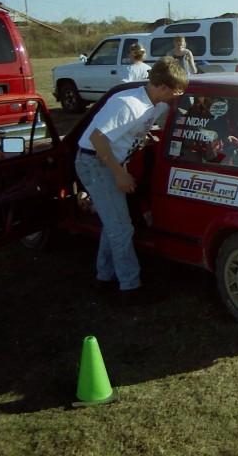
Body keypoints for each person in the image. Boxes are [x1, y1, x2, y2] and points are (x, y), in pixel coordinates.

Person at [74, 57, 188, 299]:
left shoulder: (156, 104)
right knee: (122, 228)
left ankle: (104, 277)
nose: (177, 96)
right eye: (176, 91)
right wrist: (120, 174)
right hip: (95, 163)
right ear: (163, 88)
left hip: (109, 162)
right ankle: (130, 287)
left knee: (113, 224)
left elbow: (167, 117)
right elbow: (97, 139)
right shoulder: (127, 104)